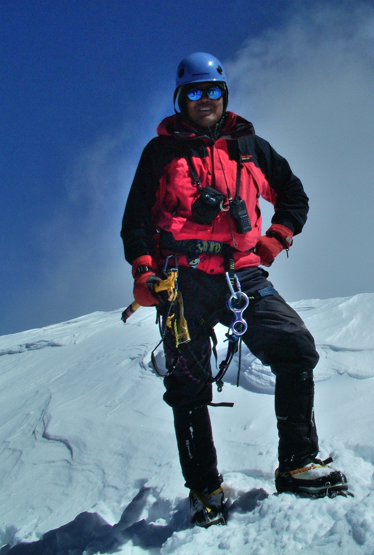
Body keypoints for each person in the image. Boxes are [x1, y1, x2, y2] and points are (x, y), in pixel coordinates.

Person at [120, 52, 348, 527]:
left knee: (295, 350)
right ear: (181, 99)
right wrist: (144, 270)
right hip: (180, 278)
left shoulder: (251, 148)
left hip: (241, 274)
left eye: (213, 91)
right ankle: (204, 489)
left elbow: (294, 197)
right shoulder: (160, 154)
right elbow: (136, 219)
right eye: (195, 92)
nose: (205, 100)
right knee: (188, 383)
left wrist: (274, 241)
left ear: (225, 96)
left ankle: (297, 464)